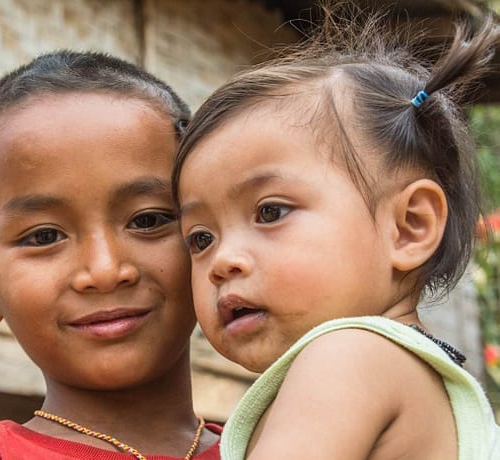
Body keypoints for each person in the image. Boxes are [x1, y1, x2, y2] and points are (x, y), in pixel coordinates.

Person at [172, 5, 500, 459]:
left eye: (270, 212)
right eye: (201, 239)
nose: (223, 261)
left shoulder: (347, 357)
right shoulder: (415, 374)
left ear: (409, 227)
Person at [0, 50, 221, 459]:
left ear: (206, 239)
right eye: (44, 236)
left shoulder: (283, 443)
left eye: (147, 220)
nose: (105, 271)